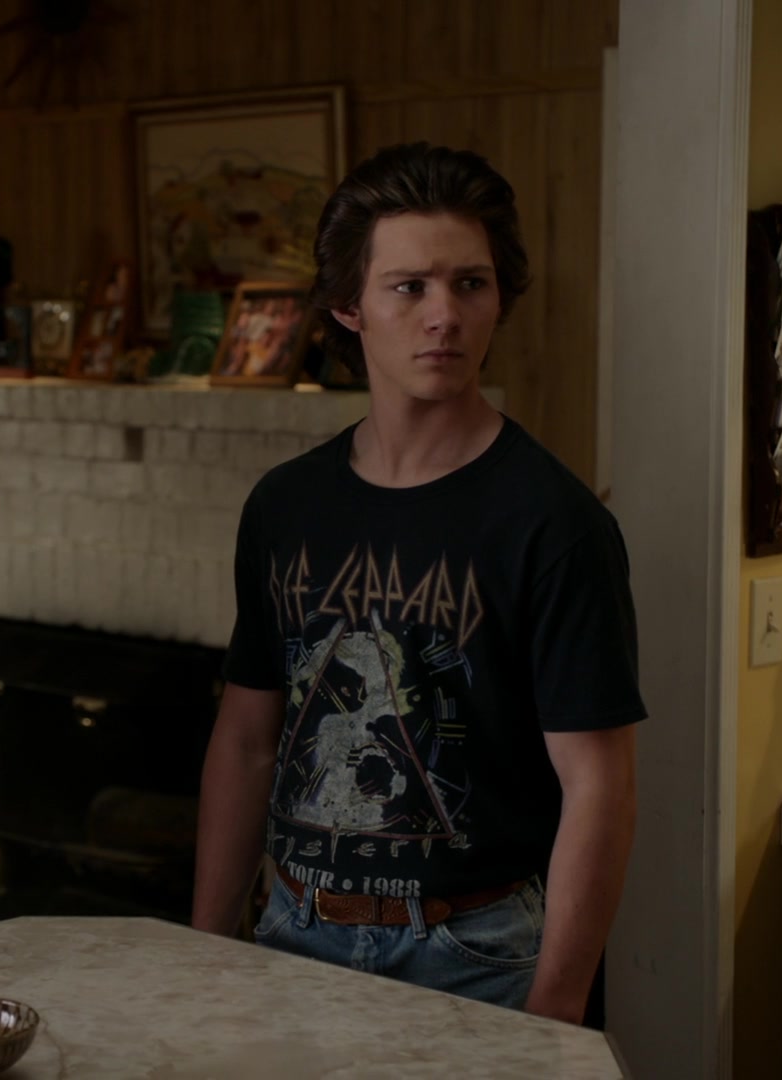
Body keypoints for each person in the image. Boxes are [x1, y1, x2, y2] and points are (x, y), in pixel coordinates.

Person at [191, 142, 645, 1020]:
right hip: (292, 933)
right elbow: (247, 741)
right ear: (349, 305)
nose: (445, 316)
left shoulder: (554, 523)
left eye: (470, 284)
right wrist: (206, 949)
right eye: (410, 287)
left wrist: (554, 1016)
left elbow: (600, 786)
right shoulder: (286, 506)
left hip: (476, 952)